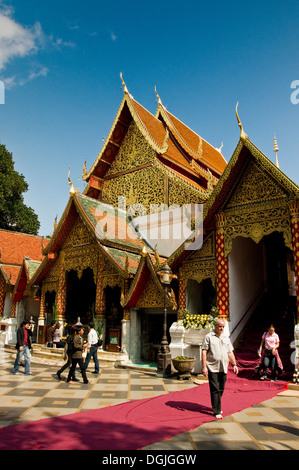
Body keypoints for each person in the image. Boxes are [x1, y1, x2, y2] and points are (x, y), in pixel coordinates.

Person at [202, 318, 238, 419]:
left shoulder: (226, 338)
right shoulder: (208, 336)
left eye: (223, 327)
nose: (221, 328)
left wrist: (234, 364)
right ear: (215, 326)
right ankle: (216, 411)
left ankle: (216, 404)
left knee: (221, 388)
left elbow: (230, 352)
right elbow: (204, 351)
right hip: (212, 366)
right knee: (215, 389)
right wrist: (204, 366)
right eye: (219, 326)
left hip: (223, 367)